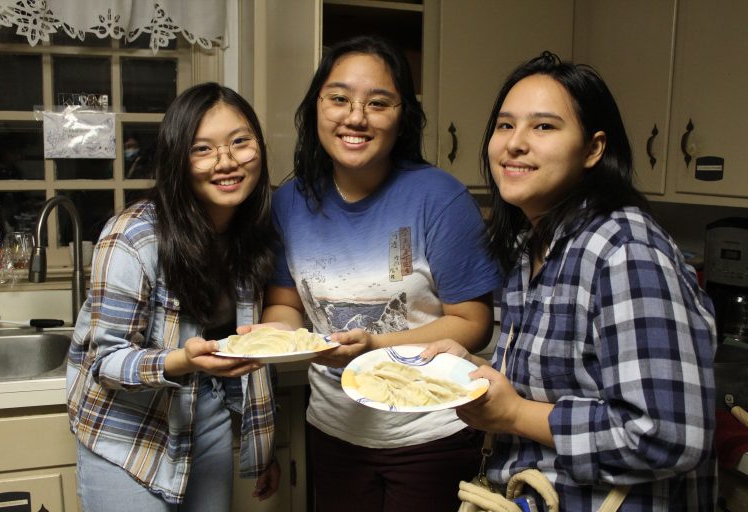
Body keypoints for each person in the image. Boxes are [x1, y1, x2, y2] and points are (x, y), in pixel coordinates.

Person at [422, 52, 717, 510]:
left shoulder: (625, 251)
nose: (514, 144)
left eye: (543, 127)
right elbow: (566, 380)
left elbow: (667, 435)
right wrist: (469, 367)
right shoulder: (534, 245)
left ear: (593, 148)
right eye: (505, 125)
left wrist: (515, 415)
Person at [246, 35, 502, 512]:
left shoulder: (439, 197)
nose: (355, 117)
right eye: (339, 98)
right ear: (316, 107)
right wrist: (273, 337)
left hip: (431, 430)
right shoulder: (289, 202)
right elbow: (286, 302)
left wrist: (374, 347)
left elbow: (473, 323)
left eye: (378, 102)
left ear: (401, 115)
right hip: (335, 429)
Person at [66, 82, 280, 511]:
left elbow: (244, 349)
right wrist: (181, 359)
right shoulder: (132, 236)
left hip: (209, 416)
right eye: (203, 149)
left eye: (240, 142)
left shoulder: (249, 233)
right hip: (128, 433)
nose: (227, 162)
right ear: (177, 160)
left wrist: (262, 449)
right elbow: (105, 362)